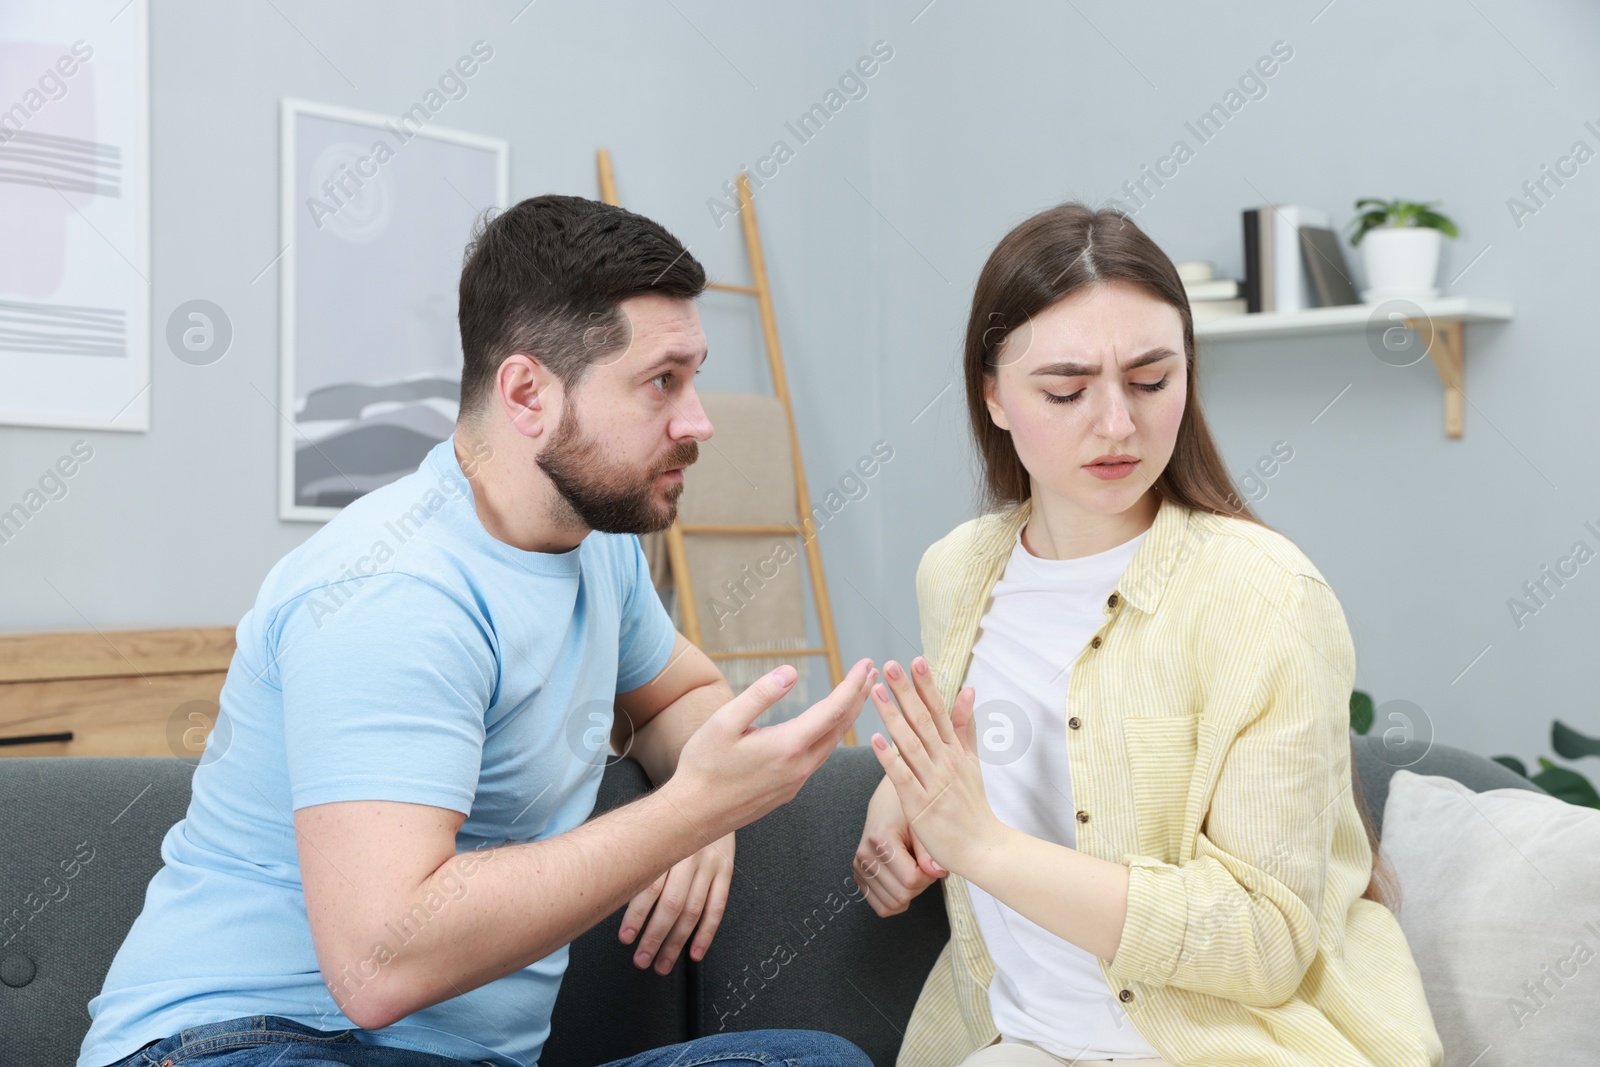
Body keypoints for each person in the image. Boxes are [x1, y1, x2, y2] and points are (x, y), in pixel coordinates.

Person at [77, 195, 878, 1067]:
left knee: (812, 1061)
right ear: (528, 392)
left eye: (694, 375)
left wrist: (709, 792)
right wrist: (688, 814)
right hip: (246, 1043)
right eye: (662, 381)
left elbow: (679, 693)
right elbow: (378, 964)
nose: (699, 421)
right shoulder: (392, 587)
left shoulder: (593, 546)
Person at [851, 203, 1443, 1067]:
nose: (1118, 424)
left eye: (1152, 379)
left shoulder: (1265, 594)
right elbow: (986, 757)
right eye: (1065, 390)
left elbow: (1267, 940)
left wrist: (984, 846)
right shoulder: (957, 572)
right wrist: (895, 812)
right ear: (994, 394)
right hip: (1019, 1041)